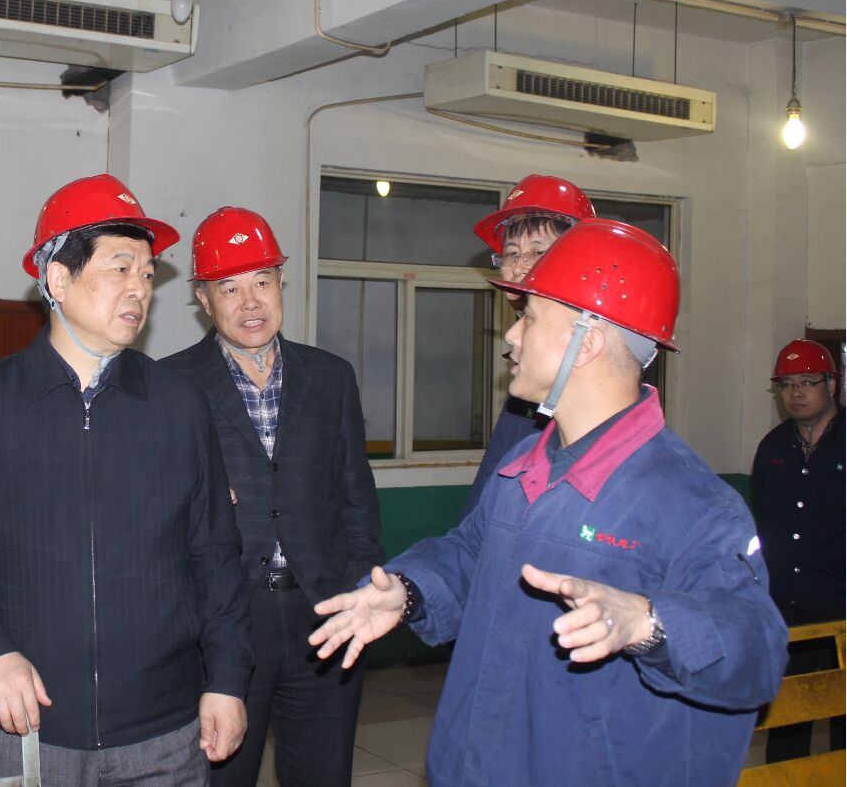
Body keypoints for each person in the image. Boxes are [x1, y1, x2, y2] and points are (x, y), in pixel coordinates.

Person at [309, 219, 789, 786]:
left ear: (587, 341)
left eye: (531, 318)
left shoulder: (692, 503)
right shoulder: (523, 467)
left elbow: (756, 653)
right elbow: (470, 556)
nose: (511, 336)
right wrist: (409, 591)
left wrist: (649, 623)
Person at [0, 173, 254, 785]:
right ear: (58, 279)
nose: (139, 288)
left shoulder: (178, 406)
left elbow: (215, 553)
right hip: (34, 726)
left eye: (147, 274)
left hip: (166, 727)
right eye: (120, 268)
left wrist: (227, 679)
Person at [160, 206, 383, 787]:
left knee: (322, 774)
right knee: (221, 774)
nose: (250, 302)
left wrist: (359, 590)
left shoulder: (331, 377)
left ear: (282, 282)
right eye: (229, 289)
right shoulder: (170, 386)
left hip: (324, 615)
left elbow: (356, 498)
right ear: (203, 299)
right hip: (224, 622)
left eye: (262, 282)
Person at [460, 174, 595, 519]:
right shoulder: (530, 365)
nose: (518, 266)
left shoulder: (586, 358)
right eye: (511, 253)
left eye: (537, 252)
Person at [751, 338, 845, 761]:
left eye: (808, 382)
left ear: (832, 385)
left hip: (842, 612)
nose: (796, 393)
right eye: (787, 385)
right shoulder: (772, 449)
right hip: (787, 615)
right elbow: (764, 524)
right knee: (787, 725)